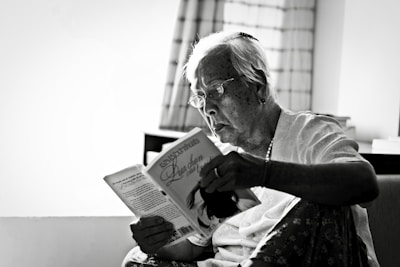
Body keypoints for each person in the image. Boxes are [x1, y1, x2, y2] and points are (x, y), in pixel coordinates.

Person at [123, 31, 380, 267]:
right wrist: (156, 239)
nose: (207, 108)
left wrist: (262, 173)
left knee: (320, 204)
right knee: (137, 260)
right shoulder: (214, 156)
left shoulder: (310, 133)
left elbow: (365, 183)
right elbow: (190, 250)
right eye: (200, 97)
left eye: (216, 90)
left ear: (258, 85)